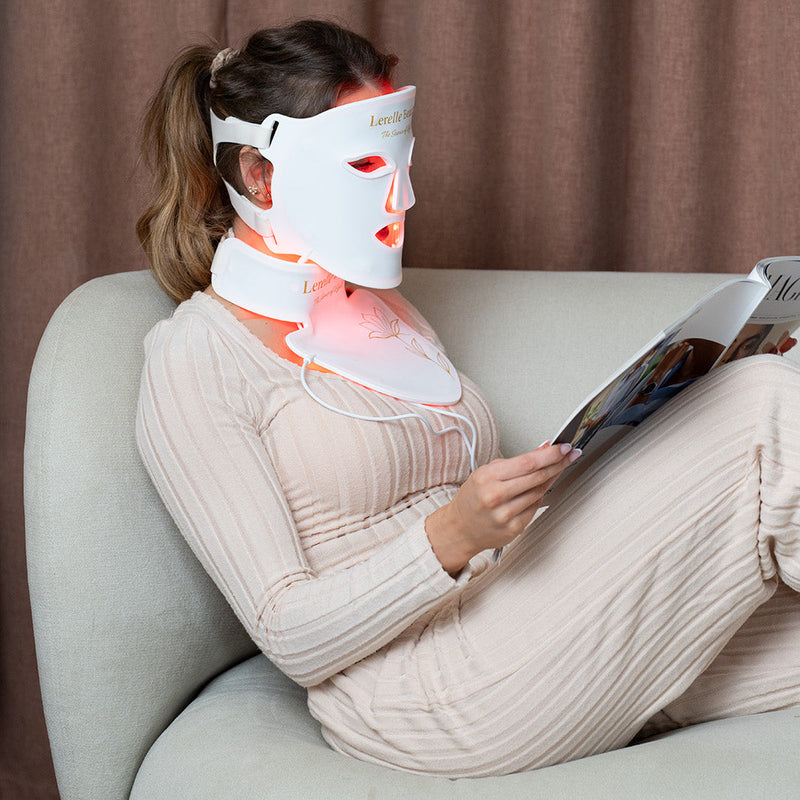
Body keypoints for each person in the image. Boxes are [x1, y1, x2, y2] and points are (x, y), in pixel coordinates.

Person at [135, 19, 800, 778]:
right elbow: (289, 634)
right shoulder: (195, 360)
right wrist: (450, 536)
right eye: (365, 164)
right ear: (260, 174)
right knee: (762, 407)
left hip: (518, 615)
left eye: (403, 162)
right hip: (425, 692)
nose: (403, 197)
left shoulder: (379, 310)